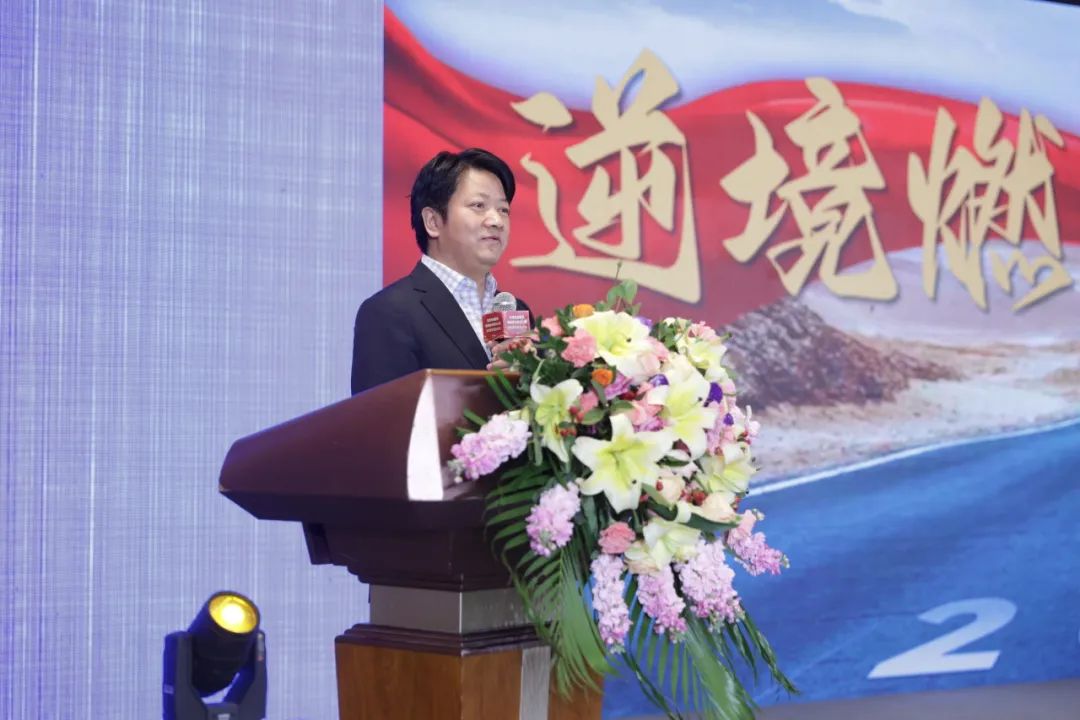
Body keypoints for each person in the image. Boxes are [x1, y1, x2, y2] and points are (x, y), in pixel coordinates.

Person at [351, 148, 532, 394]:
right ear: (433, 222)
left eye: (503, 210)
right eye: (479, 205)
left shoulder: (516, 310)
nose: (497, 221)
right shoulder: (389, 312)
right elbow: (383, 415)